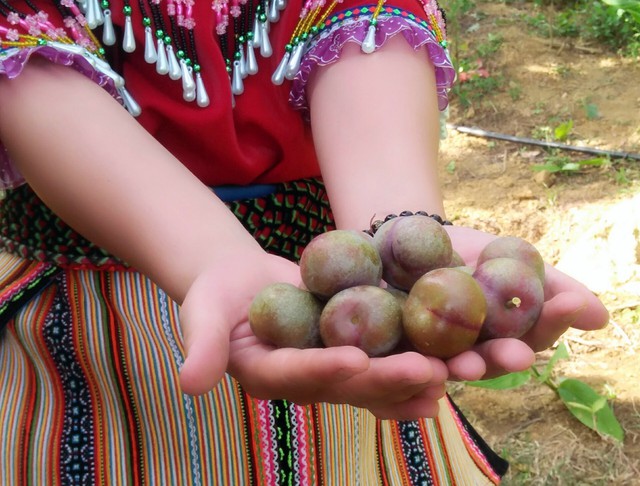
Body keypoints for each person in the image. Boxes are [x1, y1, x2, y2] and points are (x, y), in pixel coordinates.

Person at [0, 0, 608, 483]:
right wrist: (215, 256)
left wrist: (396, 224)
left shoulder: (381, 300)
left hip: (346, 304)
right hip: (93, 332)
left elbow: (362, 19)